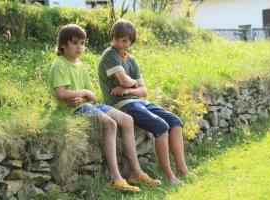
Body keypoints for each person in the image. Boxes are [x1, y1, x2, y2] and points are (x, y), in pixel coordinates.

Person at [48, 24, 161, 192]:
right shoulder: (59, 64)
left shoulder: (80, 65)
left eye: (82, 43)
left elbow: (93, 96)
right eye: (75, 43)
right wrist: (84, 94)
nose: (80, 47)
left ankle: (136, 172)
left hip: (86, 104)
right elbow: (61, 94)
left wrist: (84, 95)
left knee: (127, 120)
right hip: (71, 110)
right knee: (111, 124)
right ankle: (116, 178)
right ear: (63, 45)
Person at [98, 19, 192, 185]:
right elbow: (124, 80)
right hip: (122, 105)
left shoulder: (131, 60)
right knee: (161, 127)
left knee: (175, 122)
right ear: (112, 39)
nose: (119, 43)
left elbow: (143, 91)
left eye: (124, 40)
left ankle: (182, 169)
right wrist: (131, 84)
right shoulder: (110, 54)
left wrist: (128, 89)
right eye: (116, 39)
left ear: (131, 42)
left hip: (136, 101)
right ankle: (170, 176)